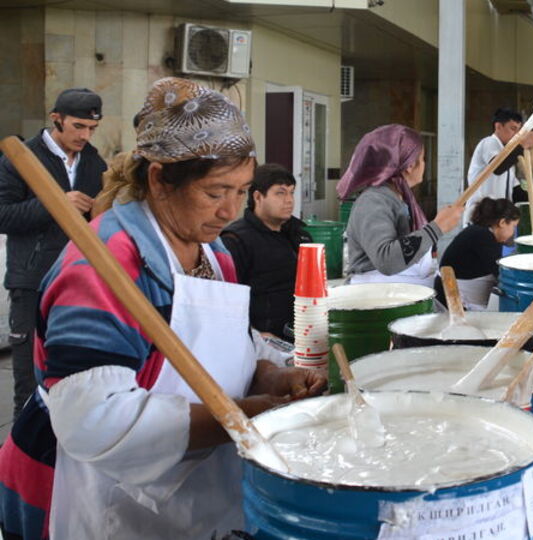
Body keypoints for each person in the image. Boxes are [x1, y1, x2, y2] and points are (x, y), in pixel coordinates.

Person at [0, 77, 326, 540]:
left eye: (242, 190)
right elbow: (94, 422)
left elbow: (221, 350)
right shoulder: (103, 265)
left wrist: (271, 376)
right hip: (104, 497)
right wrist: (249, 415)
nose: (230, 210)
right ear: (159, 179)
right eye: (215, 193)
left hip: (192, 496)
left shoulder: (214, 251)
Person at [0, 88, 107, 421]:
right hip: (31, 282)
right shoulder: (21, 157)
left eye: (91, 129)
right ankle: (15, 469)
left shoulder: (93, 160)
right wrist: (56, 202)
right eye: (78, 127)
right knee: (29, 386)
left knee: (70, 377)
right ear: (56, 119)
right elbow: (3, 215)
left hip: (78, 280)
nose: (84, 136)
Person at [341, 124, 463, 287]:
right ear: (410, 165)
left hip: (399, 294)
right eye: (423, 159)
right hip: (377, 300)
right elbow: (386, 259)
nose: (424, 165)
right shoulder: (372, 201)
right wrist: (437, 227)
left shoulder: (399, 198)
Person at [221, 163, 311, 339]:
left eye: (291, 192)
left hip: (303, 332)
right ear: (258, 197)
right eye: (280, 193)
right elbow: (226, 302)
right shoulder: (236, 240)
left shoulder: (300, 235)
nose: (289, 200)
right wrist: (255, 335)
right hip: (262, 340)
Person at [435, 198, 520, 310]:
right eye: (513, 226)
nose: (513, 232)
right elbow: (501, 274)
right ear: (502, 222)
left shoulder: (482, 233)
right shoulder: (483, 236)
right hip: (452, 298)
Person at [463, 108, 533, 225]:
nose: (517, 135)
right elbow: (497, 167)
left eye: (519, 130)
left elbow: (516, 190)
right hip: (481, 215)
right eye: (513, 129)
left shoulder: (507, 154)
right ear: (498, 126)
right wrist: (522, 145)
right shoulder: (489, 143)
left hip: (498, 217)